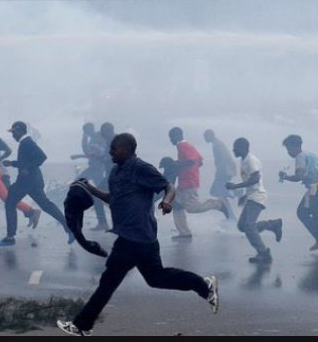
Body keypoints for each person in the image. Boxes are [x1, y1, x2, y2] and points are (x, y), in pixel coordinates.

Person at [56, 133, 219, 336]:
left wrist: (167, 201)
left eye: (114, 148)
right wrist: (89, 188)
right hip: (141, 237)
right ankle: (204, 286)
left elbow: (168, 186)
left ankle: (82, 326)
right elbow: (112, 198)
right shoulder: (115, 172)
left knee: (108, 282)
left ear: (126, 149)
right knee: (156, 278)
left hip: (134, 236)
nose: (111, 152)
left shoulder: (141, 168)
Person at [0, 121, 75, 247]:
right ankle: (69, 229)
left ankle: (10, 237)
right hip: (31, 181)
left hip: (27, 182)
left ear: (20, 130)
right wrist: (12, 163)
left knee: (10, 202)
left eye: (13, 132)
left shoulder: (27, 143)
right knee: (46, 205)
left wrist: (27, 167)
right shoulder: (25, 143)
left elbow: (42, 157)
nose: (13, 136)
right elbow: (26, 161)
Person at [279, 135, 318, 258]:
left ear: (294, 146)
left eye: (288, 149)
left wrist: (285, 177)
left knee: (306, 213)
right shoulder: (309, 154)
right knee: (311, 215)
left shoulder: (300, 157)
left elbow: (299, 177)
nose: (288, 152)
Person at [225, 137, 282, 264]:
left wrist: (235, 186)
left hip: (258, 196)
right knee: (242, 226)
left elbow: (255, 179)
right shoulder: (243, 160)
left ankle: (264, 253)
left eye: (235, 148)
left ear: (243, 148)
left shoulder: (251, 160)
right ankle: (273, 224)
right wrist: (245, 195)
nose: (233, 151)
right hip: (252, 196)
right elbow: (251, 181)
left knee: (249, 226)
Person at [168, 127, 229, 239]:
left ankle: (217, 204)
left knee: (192, 208)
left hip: (188, 182)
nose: (170, 140)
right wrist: (185, 167)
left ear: (176, 136)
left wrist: (178, 167)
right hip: (187, 181)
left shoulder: (182, 146)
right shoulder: (190, 145)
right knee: (176, 204)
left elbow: (191, 161)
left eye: (171, 138)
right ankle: (184, 232)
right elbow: (199, 161)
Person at [70, 122, 110, 231]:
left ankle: (103, 221)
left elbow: (95, 153)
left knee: (97, 194)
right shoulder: (92, 138)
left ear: (90, 129)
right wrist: (84, 139)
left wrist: (78, 155)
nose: (85, 133)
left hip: (97, 169)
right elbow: (88, 151)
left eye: (86, 131)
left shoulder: (98, 137)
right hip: (93, 168)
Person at [203, 129, 237, 220]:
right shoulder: (217, 144)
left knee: (216, 191)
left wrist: (220, 173)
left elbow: (225, 158)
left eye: (205, 137)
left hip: (224, 172)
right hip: (225, 172)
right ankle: (230, 215)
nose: (204, 139)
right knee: (219, 193)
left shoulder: (217, 145)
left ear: (209, 136)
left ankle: (237, 194)